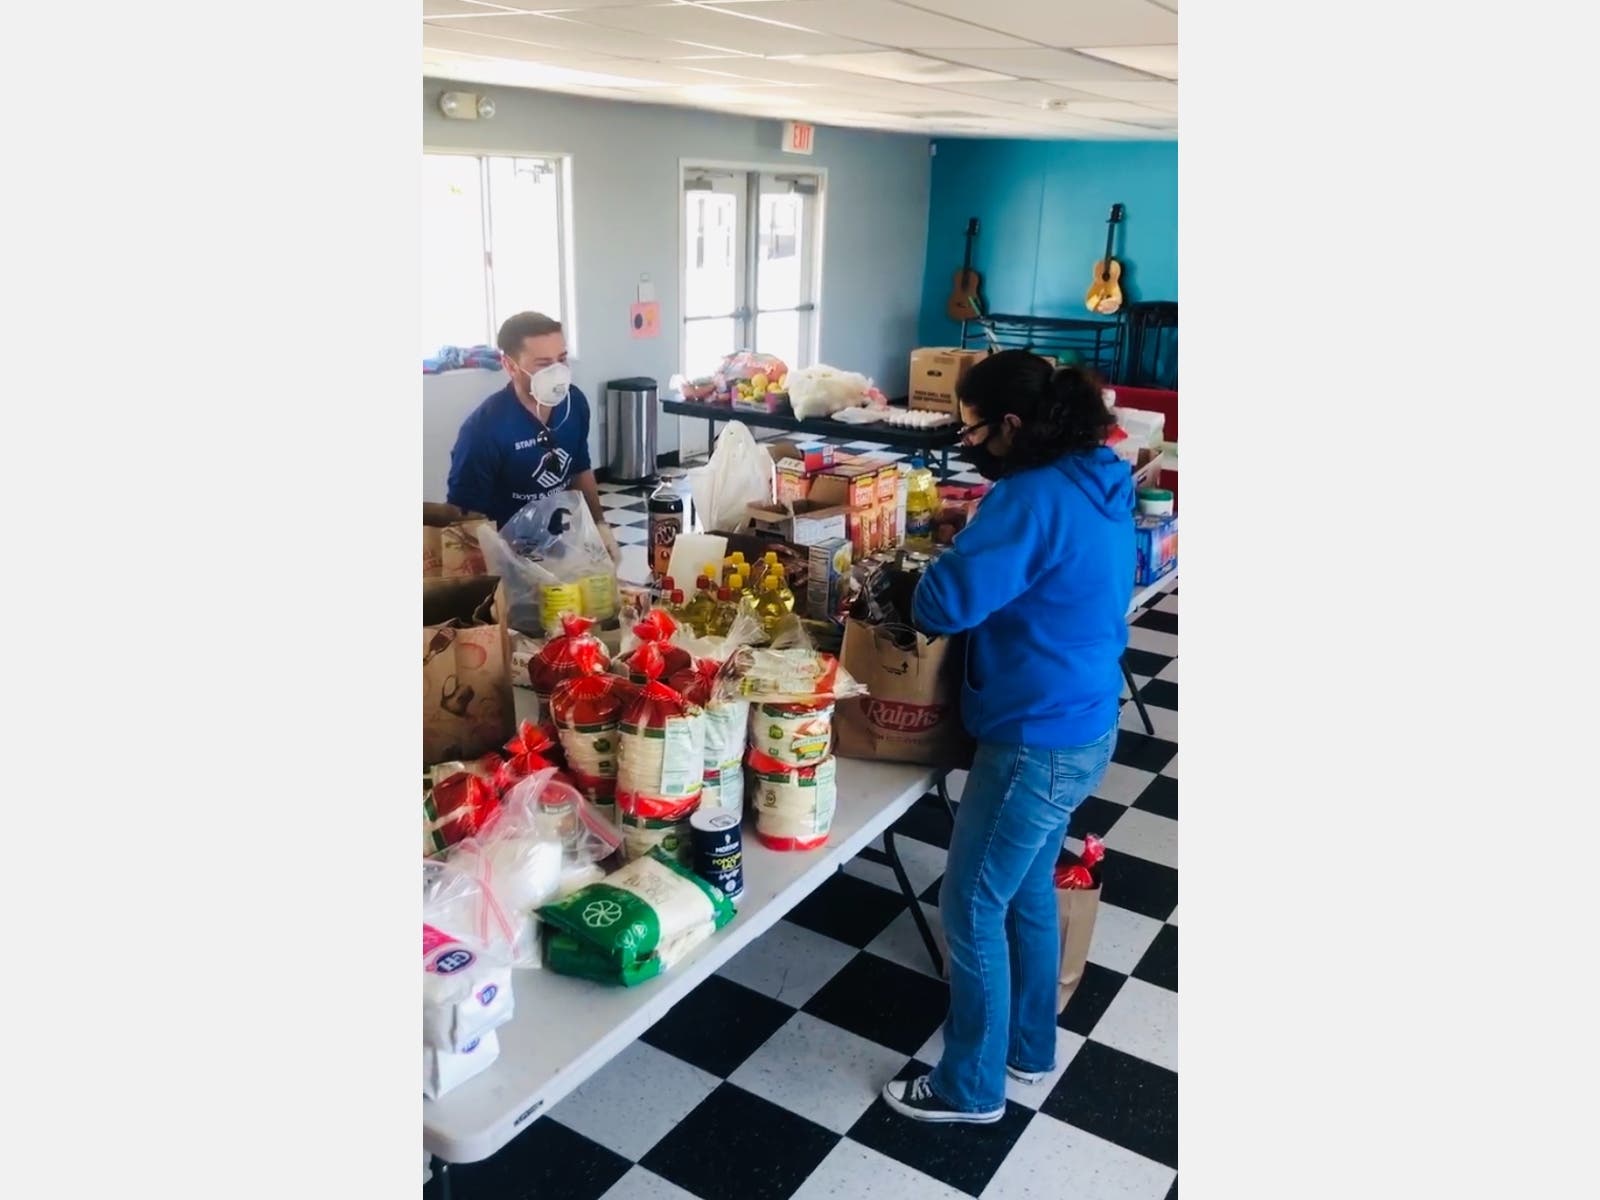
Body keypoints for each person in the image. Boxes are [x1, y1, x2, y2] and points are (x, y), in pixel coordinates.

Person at [882, 351, 1135, 1124]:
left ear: (1014, 427)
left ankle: (970, 1088)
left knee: (970, 907)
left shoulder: (1028, 499)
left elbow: (944, 606)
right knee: (1022, 885)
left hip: (1035, 738)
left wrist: (921, 576)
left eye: (972, 428)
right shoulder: (1098, 474)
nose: (967, 441)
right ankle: (1029, 1047)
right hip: (1083, 721)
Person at [447, 311, 620, 561]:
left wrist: (599, 526)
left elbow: (580, 469)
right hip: (504, 557)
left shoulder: (574, 404)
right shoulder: (483, 430)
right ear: (510, 366)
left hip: (558, 544)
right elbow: (464, 517)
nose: (558, 372)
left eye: (562, 359)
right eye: (544, 364)